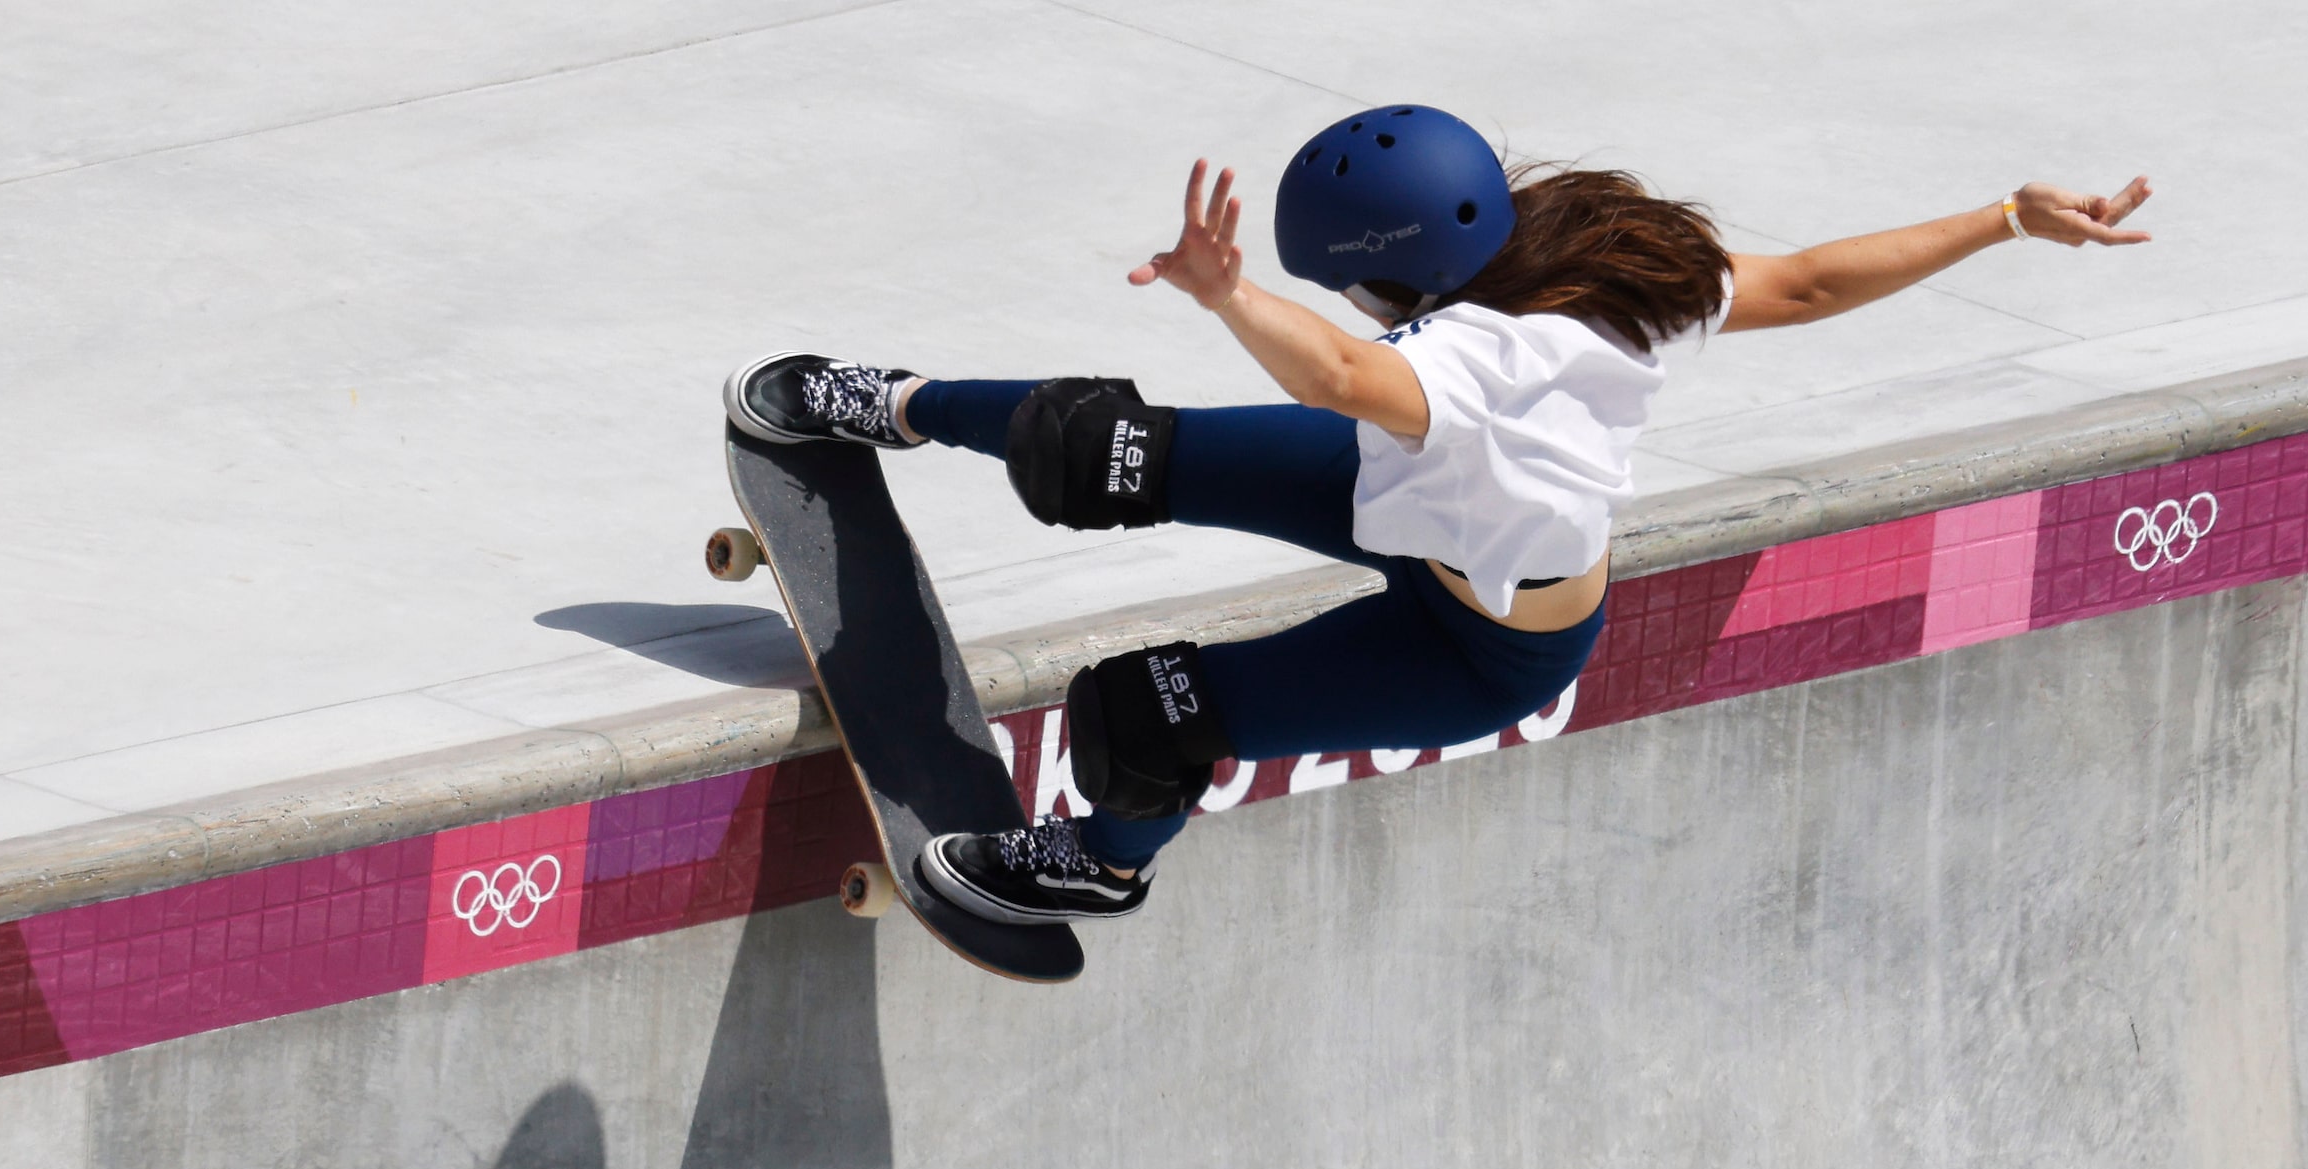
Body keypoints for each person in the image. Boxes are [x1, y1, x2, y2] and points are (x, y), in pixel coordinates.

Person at [724, 107, 2150, 926]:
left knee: (1144, 716)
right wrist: (2000, 218)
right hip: (1405, 504)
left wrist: (1228, 297)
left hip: (1480, 646)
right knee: (1097, 447)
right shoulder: (1598, 263)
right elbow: (1811, 283)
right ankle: (888, 402)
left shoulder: (1472, 364)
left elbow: (1345, 373)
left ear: (1387, 280)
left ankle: (1095, 863)